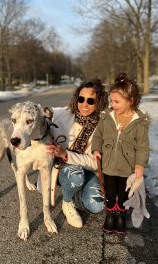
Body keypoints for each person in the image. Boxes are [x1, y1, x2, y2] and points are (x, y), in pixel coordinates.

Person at [38, 79, 109, 228]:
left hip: (86, 170)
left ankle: (74, 190)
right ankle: (67, 202)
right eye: (81, 99)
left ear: (99, 103)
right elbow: (39, 113)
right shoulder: (61, 114)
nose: (84, 104)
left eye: (91, 101)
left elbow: (94, 162)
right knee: (75, 175)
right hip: (60, 168)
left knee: (96, 205)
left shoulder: (103, 126)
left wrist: (65, 154)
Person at [92, 72, 150, 234]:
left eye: (117, 101)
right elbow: (98, 136)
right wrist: (96, 149)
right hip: (109, 166)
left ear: (131, 101)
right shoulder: (107, 117)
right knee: (110, 192)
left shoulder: (139, 122)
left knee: (123, 194)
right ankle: (110, 214)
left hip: (127, 167)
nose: (113, 104)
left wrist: (139, 164)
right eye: (111, 100)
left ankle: (121, 216)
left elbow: (142, 146)